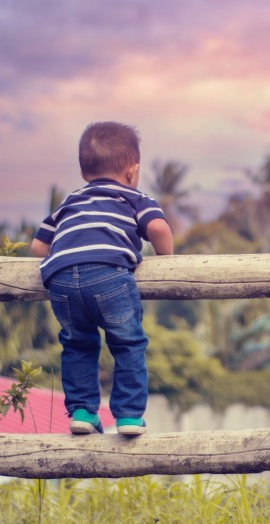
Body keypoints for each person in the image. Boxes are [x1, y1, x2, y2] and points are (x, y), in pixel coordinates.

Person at [31, 121, 173, 436]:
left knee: (77, 344)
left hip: (61, 280)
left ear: (84, 173)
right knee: (127, 343)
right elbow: (158, 229)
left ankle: (82, 411)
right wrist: (167, 256)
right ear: (132, 171)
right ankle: (129, 415)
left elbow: (38, 246)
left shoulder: (70, 201)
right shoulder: (134, 197)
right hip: (109, 275)